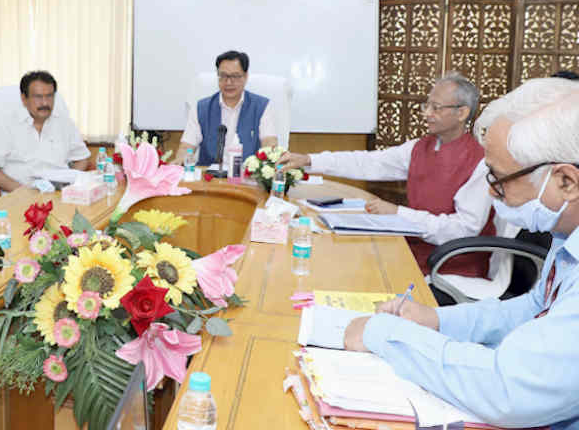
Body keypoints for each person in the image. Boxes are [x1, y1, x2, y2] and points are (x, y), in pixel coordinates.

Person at [344, 77, 579, 429]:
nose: (491, 193)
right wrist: (436, 321)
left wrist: (385, 335)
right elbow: (533, 309)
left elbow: (506, 390)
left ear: (566, 182)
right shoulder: (565, 237)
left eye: (499, 180)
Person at [278, 72, 494, 280]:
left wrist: (399, 213)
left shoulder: (481, 162)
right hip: (414, 253)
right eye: (426, 105)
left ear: (462, 113)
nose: (427, 113)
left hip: (451, 268)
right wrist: (309, 160)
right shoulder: (420, 148)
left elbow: (463, 230)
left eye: (436, 108)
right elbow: (368, 162)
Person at [0, 71, 92, 193]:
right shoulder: (4, 125)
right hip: (18, 197)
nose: (45, 103)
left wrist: (68, 183)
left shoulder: (65, 124)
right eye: (38, 97)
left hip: (59, 196)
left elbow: (82, 158)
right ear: (24, 98)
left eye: (49, 96)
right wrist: (24, 192)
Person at [174, 50, 278, 166]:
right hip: (209, 178)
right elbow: (187, 147)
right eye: (223, 76)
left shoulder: (261, 106)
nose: (228, 82)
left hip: (247, 179)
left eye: (235, 76)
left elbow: (269, 144)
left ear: (245, 76)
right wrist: (181, 160)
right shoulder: (201, 108)